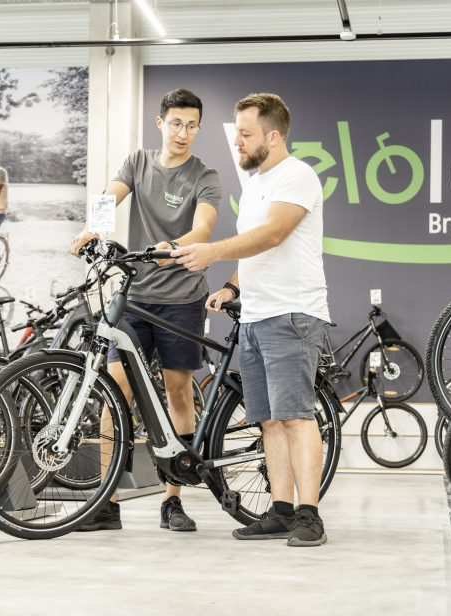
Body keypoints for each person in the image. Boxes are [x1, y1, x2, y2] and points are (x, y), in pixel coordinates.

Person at [172, 93, 330, 547]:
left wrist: (212, 251)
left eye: (245, 133)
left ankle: (310, 515)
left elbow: (273, 234)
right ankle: (281, 511)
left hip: (291, 313)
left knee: (296, 416)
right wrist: (232, 287)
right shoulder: (257, 183)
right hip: (257, 315)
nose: (237, 141)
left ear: (273, 136)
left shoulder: (297, 176)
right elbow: (256, 248)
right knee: (269, 421)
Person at [70, 88, 221, 533]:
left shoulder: (205, 175)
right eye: (175, 123)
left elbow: (204, 227)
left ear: (198, 128)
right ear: (160, 123)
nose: (183, 133)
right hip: (134, 297)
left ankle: (173, 500)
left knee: (178, 392)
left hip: (183, 298)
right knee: (116, 392)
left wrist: (172, 247)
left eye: (191, 125)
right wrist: (92, 228)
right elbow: (109, 195)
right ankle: (106, 502)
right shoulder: (138, 163)